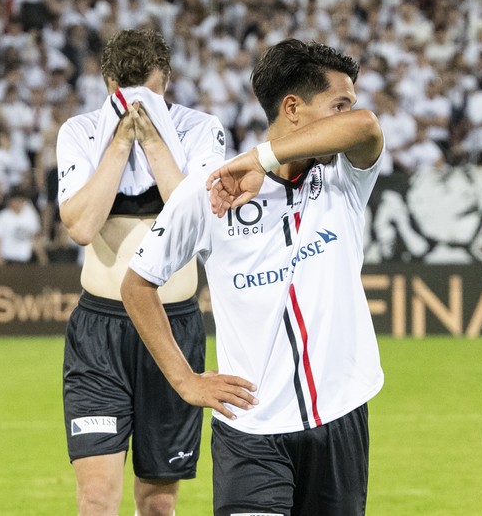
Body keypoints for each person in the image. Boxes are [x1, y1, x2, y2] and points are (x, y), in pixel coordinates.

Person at [121, 38, 385, 515]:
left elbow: (365, 126)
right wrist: (186, 382)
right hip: (251, 433)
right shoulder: (210, 190)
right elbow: (136, 285)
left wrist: (260, 159)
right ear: (292, 107)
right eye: (338, 103)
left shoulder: (345, 179)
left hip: (341, 418)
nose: (351, 111)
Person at [56, 28, 227, 516]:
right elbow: (84, 226)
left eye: (146, 93)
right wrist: (117, 145)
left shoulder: (200, 130)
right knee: (96, 496)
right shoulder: (81, 132)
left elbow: (195, 221)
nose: (134, 104)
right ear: (108, 83)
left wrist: (152, 140)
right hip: (100, 333)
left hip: (171, 327)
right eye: (124, 93)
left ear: (166, 84)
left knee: (157, 503)